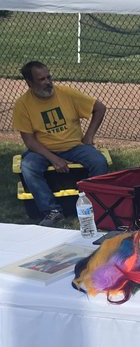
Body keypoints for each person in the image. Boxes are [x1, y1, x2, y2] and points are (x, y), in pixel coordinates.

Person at [12, 61, 108, 225]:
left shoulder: (66, 93)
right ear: (29, 83)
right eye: (41, 79)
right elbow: (29, 140)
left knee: (99, 162)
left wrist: (89, 136)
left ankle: (90, 205)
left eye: (49, 77)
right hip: (42, 150)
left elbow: (99, 108)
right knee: (28, 166)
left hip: (74, 146)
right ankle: (52, 211)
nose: (48, 82)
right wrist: (53, 158)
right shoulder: (22, 104)